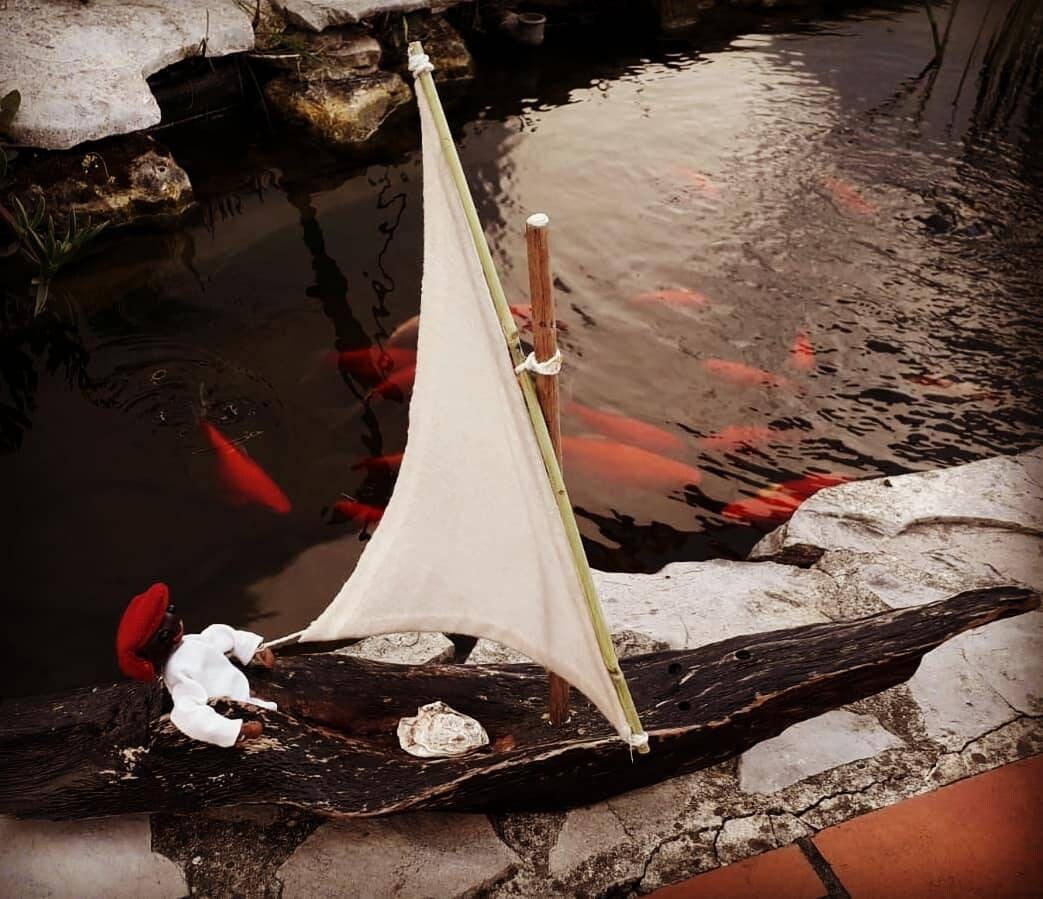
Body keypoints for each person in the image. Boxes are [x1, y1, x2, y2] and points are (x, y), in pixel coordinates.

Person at [115, 583, 277, 747]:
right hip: (236, 707)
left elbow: (218, 635)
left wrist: (253, 647)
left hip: (243, 686)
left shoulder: (190, 641)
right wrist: (232, 731)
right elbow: (188, 713)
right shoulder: (176, 672)